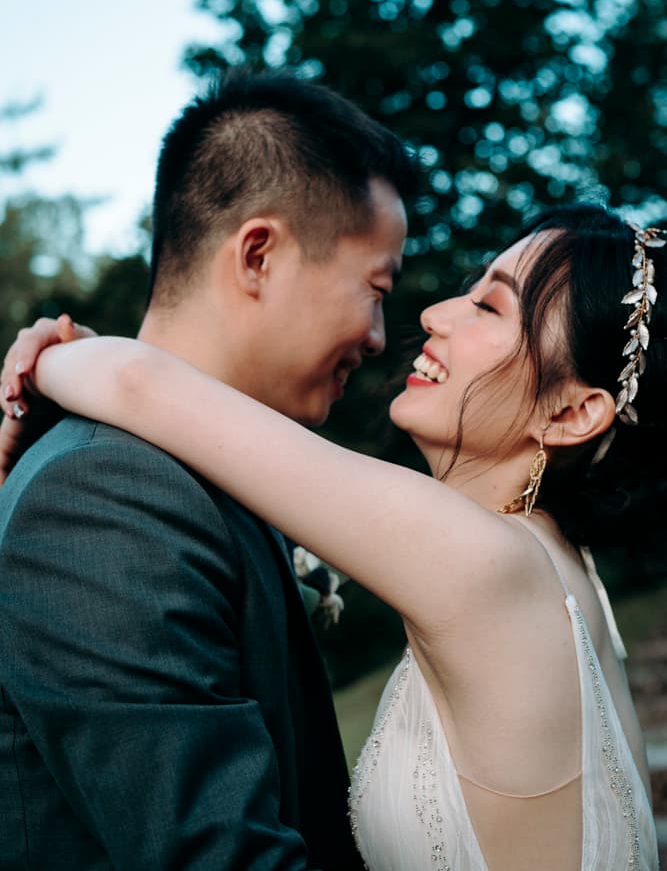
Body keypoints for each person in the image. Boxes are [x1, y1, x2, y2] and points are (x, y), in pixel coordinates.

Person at [2, 203, 661, 870]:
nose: (435, 314)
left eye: (489, 308)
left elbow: (136, 381)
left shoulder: (485, 561)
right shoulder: (557, 570)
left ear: (573, 412)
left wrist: (49, 363)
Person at [0, 70, 419, 869]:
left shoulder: (198, 474)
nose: (376, 336)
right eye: (375, 290)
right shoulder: (104, 495)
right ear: (257, 254)